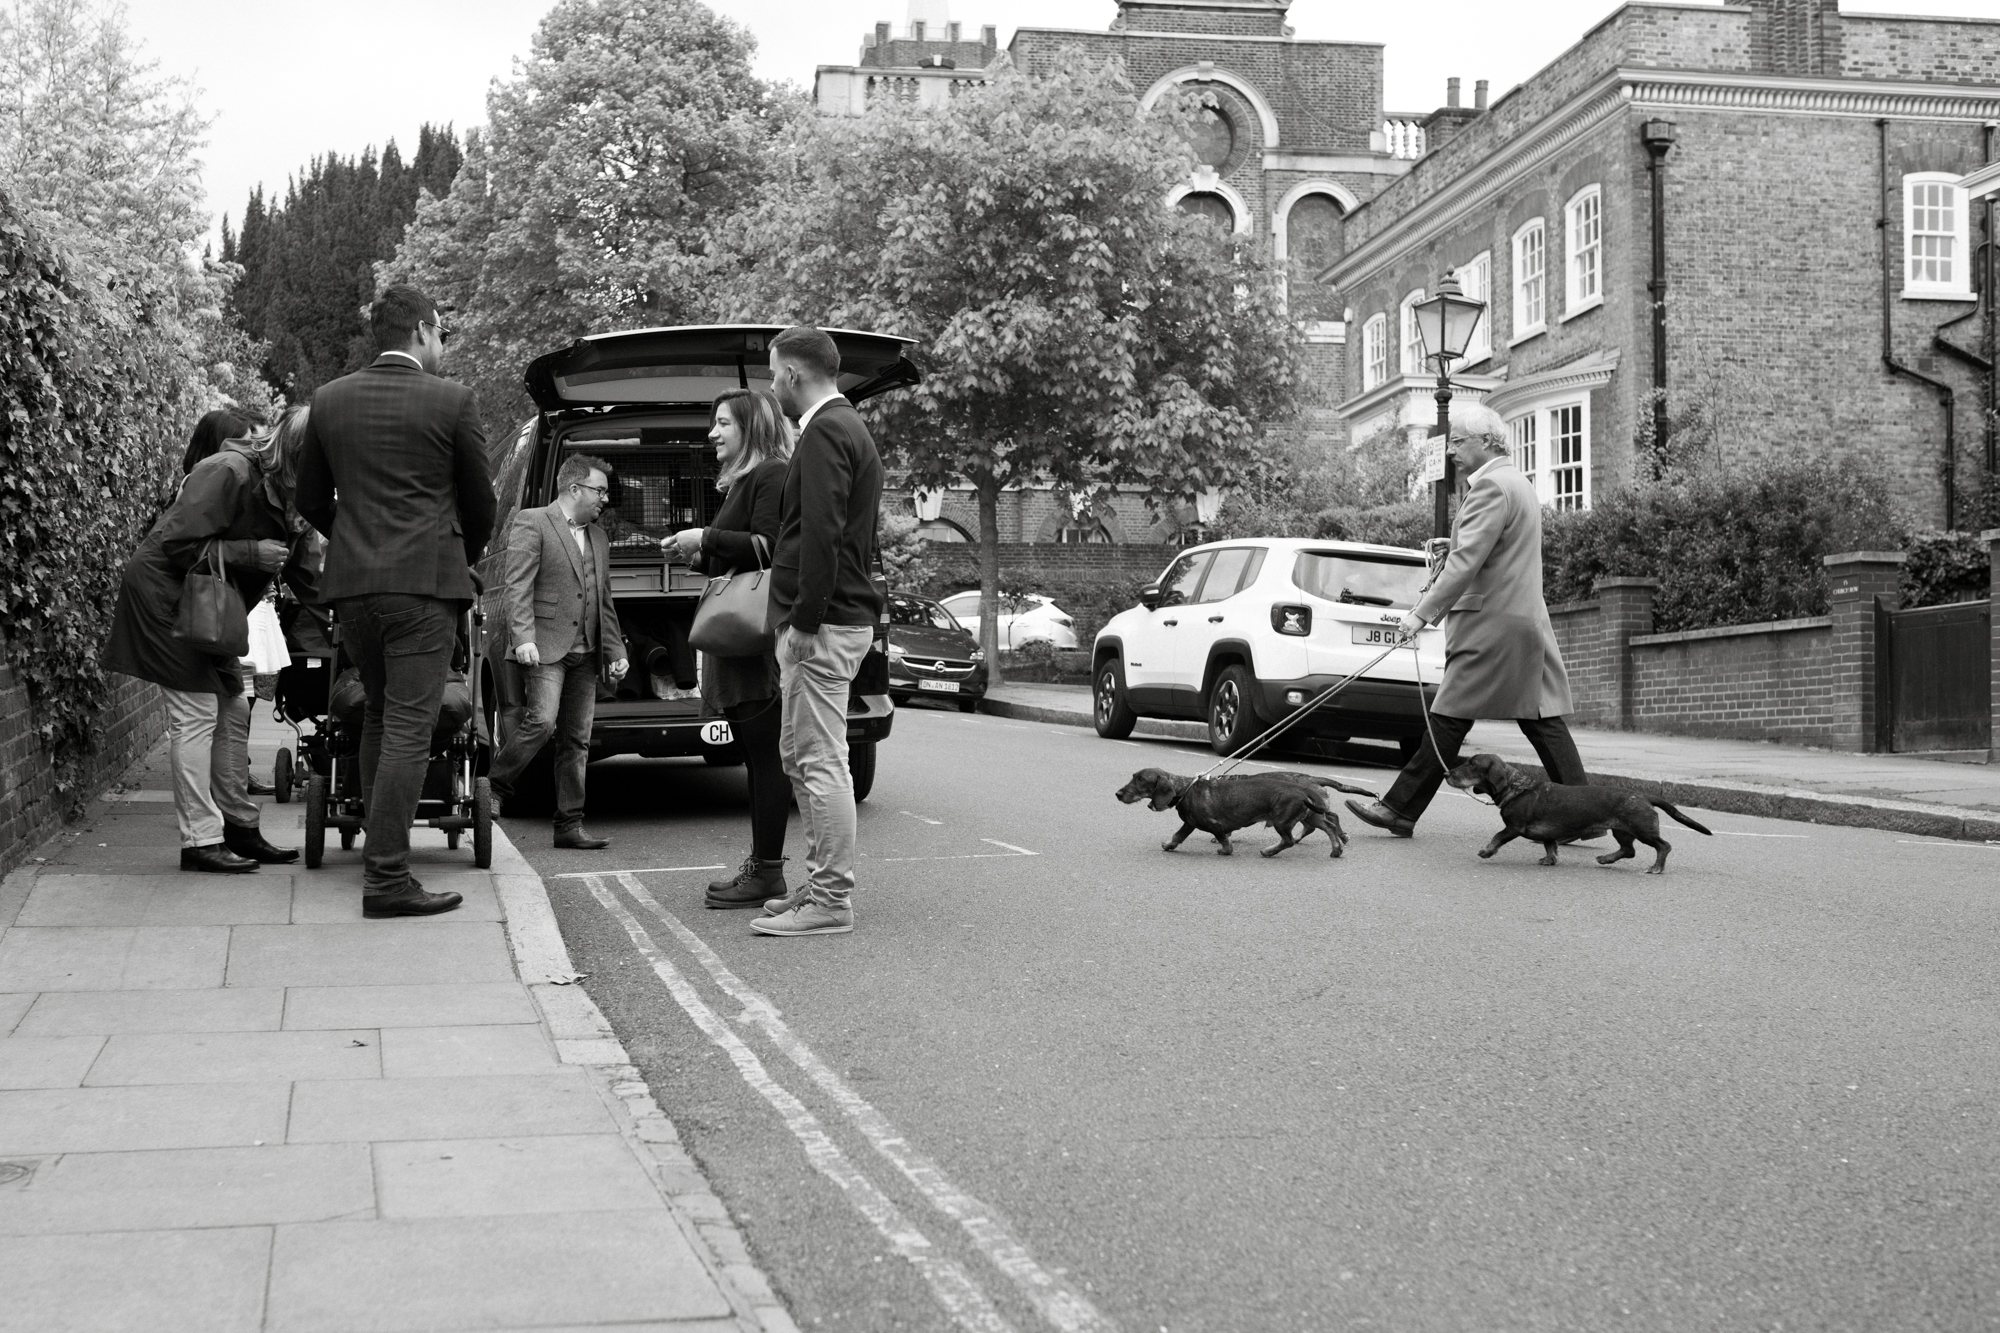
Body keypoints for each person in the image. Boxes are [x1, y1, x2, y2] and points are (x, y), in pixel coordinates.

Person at [295, 285, 495, 918]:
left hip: (353, 592)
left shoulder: (329, 401)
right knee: (411, 725)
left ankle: (381, 864)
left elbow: (307, 499)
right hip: (424, 588)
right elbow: (481, 503)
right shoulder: (452, 401)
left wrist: (354, 539)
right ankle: (386, 880)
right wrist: (457, 555)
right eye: (441, 334)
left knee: (382, 717)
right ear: (424, 330)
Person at [1345, 402, 1590, 837]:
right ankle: (1583, 818)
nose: (1452, 450)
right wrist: (1455, 540)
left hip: (1490, 627)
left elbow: (1465, 564)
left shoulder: (1490, 487)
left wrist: (1419, 615)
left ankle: (1400, 809)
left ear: (1487, 442)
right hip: (1520, 622)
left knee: (1449, 716)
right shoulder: (1517, 483)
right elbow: (1491, 551)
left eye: (1458, 441)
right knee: (1541, 719)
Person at [103, 410, 299, 873]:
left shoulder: (276, 488)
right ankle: (200, 842)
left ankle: (239, 829)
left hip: (209, 605)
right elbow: (176, 545)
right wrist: (251, 553)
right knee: (196, 714)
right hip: (167, 599)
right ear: (293, 455)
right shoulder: (225, 471)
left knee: (234, 706)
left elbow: (303, 568)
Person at [752, 326, 882, 939]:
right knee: (799, 757)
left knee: (821, 762)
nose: (770, 383)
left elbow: (823, 533)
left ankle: (830, 900)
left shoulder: (828, 429)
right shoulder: (842, 425)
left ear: (795, 375)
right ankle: (819, 885)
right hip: (831, 620)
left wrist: (804, 621)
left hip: (823, 626)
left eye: (773, 372)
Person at [667, 389, 793, 908]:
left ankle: (768, 872)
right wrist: (697, 551)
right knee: (755, 755)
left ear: (752, 428)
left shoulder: (772, 473)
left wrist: (706, 536)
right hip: (737, 637)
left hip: (752, 640)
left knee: (766, 758)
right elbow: (736, 556)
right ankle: (762, 866)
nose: (712, 433)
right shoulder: (748, 479)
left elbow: (769, 547)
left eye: (723, 423)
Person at [488, 454, 628, 848]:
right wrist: (523, 637)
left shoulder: (599, 538)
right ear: (574, 488)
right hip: (546, 646)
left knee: (577, 740)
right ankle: (494, 787)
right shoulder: (533, 521)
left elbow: (604, 600)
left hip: (586, 653)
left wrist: (615, 650)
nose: (604, 499)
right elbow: (518, 586)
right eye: (599, 490)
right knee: (542, 723)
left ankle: (568, 825)